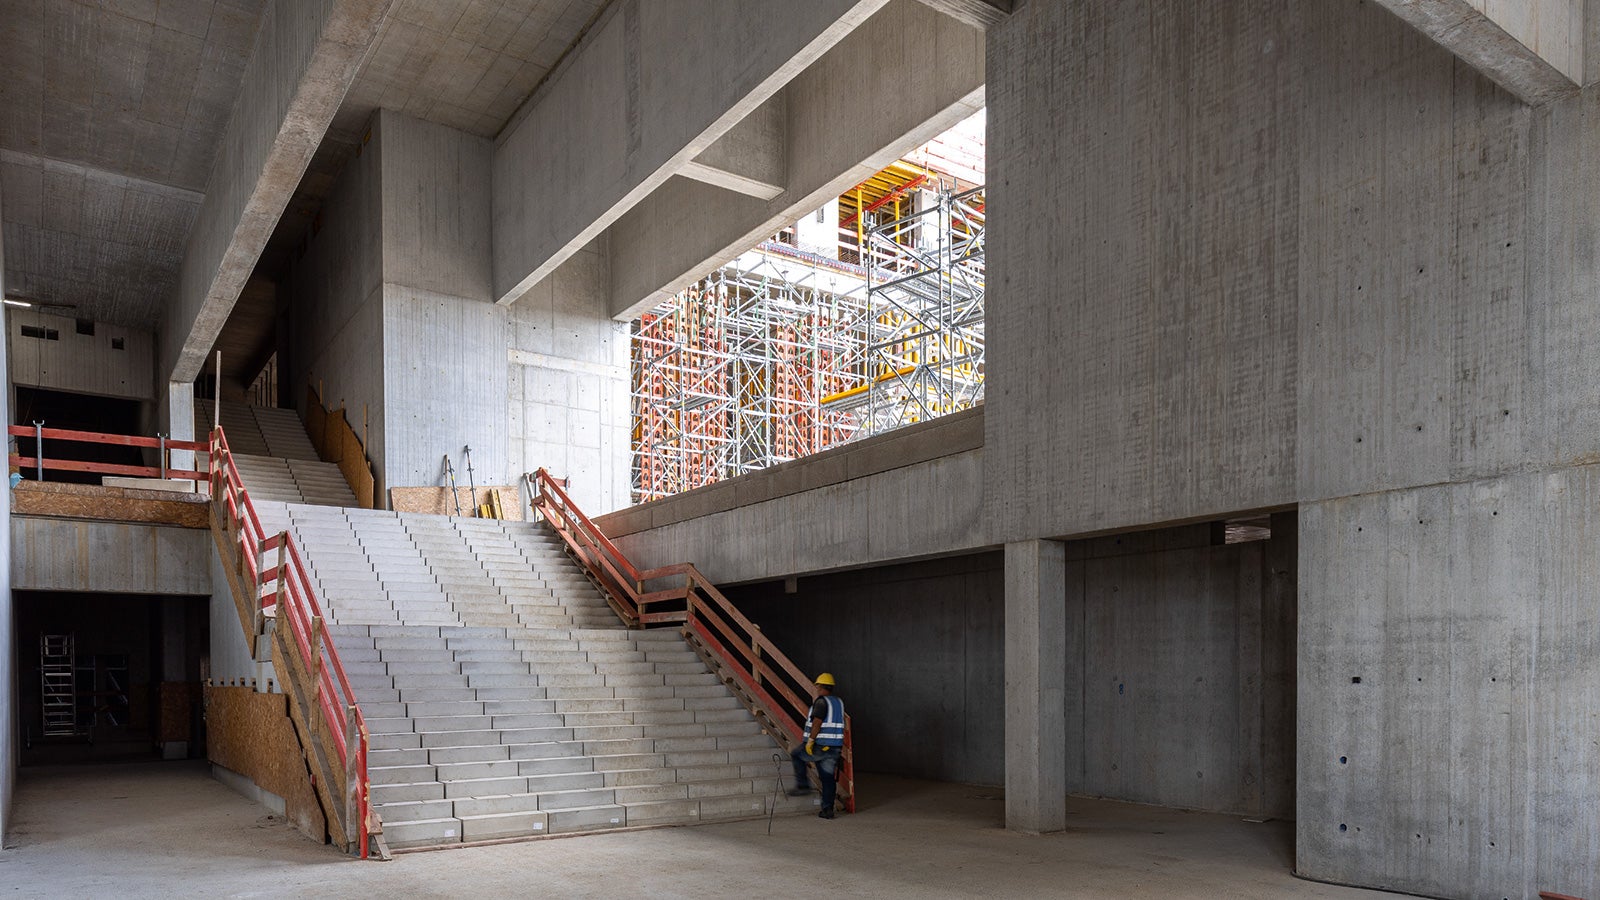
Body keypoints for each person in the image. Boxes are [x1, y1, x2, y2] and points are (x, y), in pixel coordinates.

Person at [787, 672, 845, 819]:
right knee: (827, 779)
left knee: (797, 755)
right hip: (834, 748)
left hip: (820, 745)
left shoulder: (821, 702)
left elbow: (817, 724)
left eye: (817, 686)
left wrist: (811, 741)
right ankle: (827, 810)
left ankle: (803, 786)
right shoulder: (838, 702)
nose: (816, 688)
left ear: (820, 686)